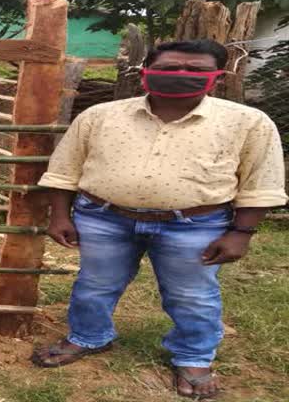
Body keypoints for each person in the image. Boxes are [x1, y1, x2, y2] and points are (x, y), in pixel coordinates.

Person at [31, 40, 286, 399]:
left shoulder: (247, 122)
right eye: (170, 67)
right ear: (147, 70)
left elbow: (261, 182)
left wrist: (241, 232)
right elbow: (65, 170)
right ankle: (88, 336)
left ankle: (194, 357)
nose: (181, 75)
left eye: (195, 69)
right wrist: (60, 214)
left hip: (195, 223)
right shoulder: (100, 115)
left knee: (193, 296)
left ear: (217, 76)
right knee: (95, 284)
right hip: (104, 218)